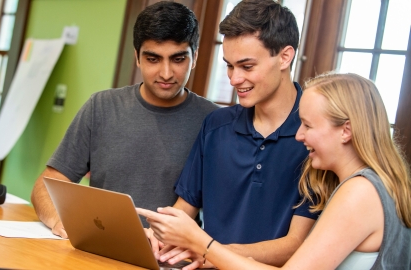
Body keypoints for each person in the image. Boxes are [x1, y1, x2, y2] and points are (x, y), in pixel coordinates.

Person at [138, 72, 411, 269]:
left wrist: (204, 244)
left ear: (346, 130)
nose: (299, 135)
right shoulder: (377, 185)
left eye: (308, 125)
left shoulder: (359, 193)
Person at [144, 0, 318, 268]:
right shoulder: (216, 126)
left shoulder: (315, 137)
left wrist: (212, 252)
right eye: (229, 65)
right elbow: (184, 210)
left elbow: (298, 245)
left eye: (247, 67)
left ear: (285, 56)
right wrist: (156, 235)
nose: (234, 79)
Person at [30, 1, 219, 238]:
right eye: (153, 59)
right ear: (137, 58)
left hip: (171, 260)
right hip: (99, 248)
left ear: (195, 56)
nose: (166, 73)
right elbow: (47, 184)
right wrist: (59, 220)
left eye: (178, 59)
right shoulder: (101, 107)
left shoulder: (214, 122)